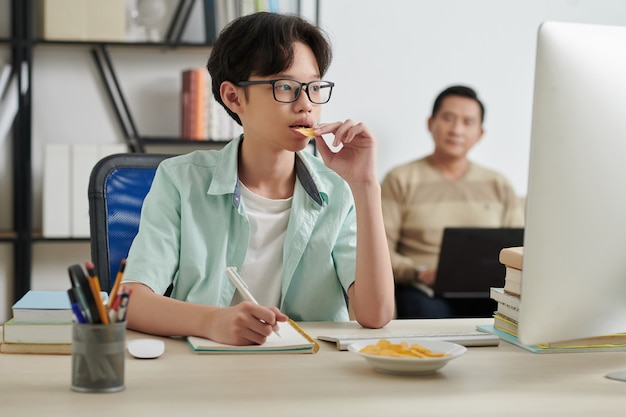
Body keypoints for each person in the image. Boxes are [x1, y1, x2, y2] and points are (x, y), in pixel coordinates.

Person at [121, 12, 395, 346]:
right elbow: (130, 301)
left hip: (310, 372)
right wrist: (214, 321)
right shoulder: (181, 181)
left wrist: (365, 185)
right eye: (285, 87)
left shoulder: (337, 189)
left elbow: (376, 314)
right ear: (233, 97)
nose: (305, 104)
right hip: (209, 369)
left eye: (313, 87)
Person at [381, 85, 524, 319]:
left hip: (487, 292)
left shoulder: (499, 185)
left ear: (480, 134)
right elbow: (380, 249)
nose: (457, 129)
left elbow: (518, 251)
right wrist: (419, 273)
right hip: (424, 291)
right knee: (429, 318)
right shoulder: (400, 179)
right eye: (448, 118)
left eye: (468, 122)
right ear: (431, 123)